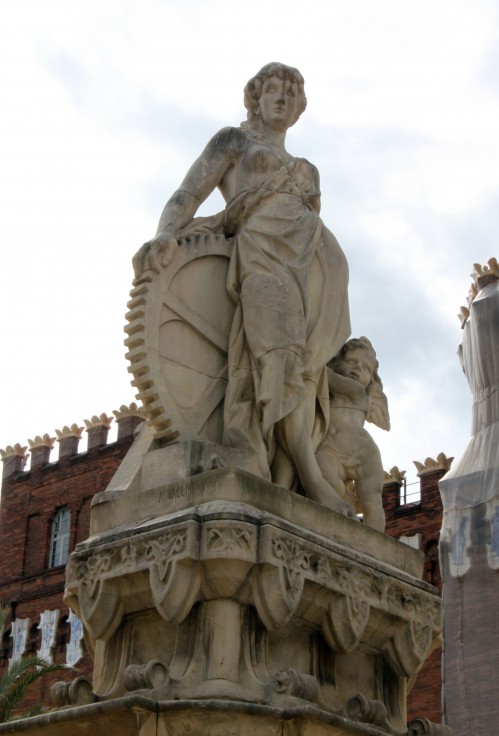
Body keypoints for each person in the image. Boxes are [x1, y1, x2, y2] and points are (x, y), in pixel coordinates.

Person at [133, 63, 353, 516]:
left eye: (291, 95)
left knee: (304, 371)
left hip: (311, 274)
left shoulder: (306, 170)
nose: (282, 100)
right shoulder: (233, 142)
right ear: (254, 97)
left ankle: (286, 473)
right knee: (278, 359)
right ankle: (306, 472)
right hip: (261, 260)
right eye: (273, 91)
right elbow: (188, 193)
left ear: (300, 109)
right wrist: (166, 233)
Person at [316, 338, 390, 531]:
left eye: (366, 368)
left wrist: (312, 358)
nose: (358, 369)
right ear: (337, 362)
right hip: (330, 447)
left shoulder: (356, 391)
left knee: (372, 499)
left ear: (372, 379)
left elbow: (324, 375)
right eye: (351, 362)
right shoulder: (325, 393)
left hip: (363, 452)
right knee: (324, 475)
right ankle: (347, 502)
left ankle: (375, 541)